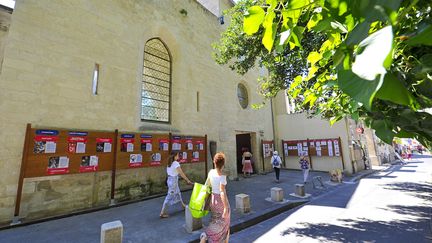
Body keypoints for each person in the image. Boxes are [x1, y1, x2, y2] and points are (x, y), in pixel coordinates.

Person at [200, 152, 230, 243]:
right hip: (221, 202)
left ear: (214, 162)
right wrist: (225, 207)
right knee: (225, 225)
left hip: (213, 201)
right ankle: (207, 236)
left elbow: (206, 186)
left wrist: (203, 201)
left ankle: (205, 237)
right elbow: (222, 191)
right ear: (223, 163)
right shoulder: (222, 176)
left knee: (214, 221)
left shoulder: (211, 172)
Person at [159, 152, 193, 218]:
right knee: (169, 197)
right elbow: (181, 173)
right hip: (173, 182)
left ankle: (183, 206)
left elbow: (172, 173)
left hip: (170, 180)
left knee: (178, 193)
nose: (179, 156)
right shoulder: (176, 163)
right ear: (175, 156)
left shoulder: (170, 163)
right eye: (178, 155)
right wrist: (187, 180)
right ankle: (162, 213)